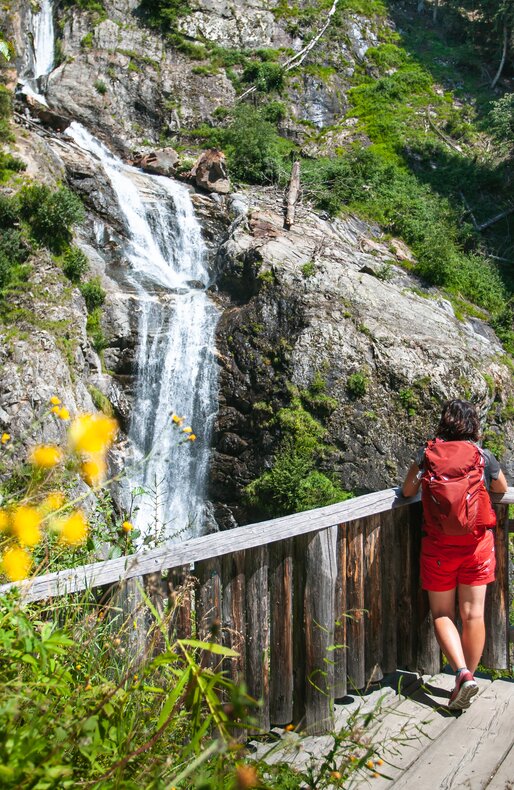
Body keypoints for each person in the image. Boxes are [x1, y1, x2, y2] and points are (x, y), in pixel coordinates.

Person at [402, 399, 508, 710]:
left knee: (442, 614)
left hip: (438, 548)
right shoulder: (481, 454)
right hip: (476, 547)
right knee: (473, 614)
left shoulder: (428, 454)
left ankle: (461, 674)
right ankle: (470, 678)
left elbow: (408, 491)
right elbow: (501, 487)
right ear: (472, 424)